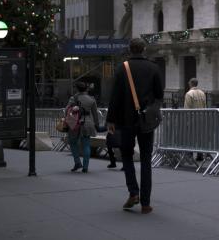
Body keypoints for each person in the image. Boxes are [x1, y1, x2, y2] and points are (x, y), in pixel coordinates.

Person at [107, 38, 163, 215]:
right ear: (144, 49)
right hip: (146, 120)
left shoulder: (122, 68)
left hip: (126, 120)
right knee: (146, 159)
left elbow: (114, 97)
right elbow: (159, 95)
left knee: (127, 156)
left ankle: (133, 193)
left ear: (129, 50)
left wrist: (111, 120)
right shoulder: (154, 67)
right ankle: (146, 204)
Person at [67, 80, 100, 173]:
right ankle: (85, 167)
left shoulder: (74, 98)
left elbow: (67, 110)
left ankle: (77, 162)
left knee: (72, 142)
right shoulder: (91, 99)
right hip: (88, 123)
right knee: (86, 144)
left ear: (77, 89)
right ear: (86, 89)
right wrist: (96, 124)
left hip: (75, 123)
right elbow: (95, 114)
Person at [184, 78, 207, 162]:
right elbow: (205, 106)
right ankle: (200, 155)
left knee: (190, 136)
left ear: (190, 84)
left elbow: (187, 109)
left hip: (192, 118)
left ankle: (190, 154)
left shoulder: (189, 94)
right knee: (200, 136)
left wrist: (186, 120)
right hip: (201, 118)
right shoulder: (202, 93)